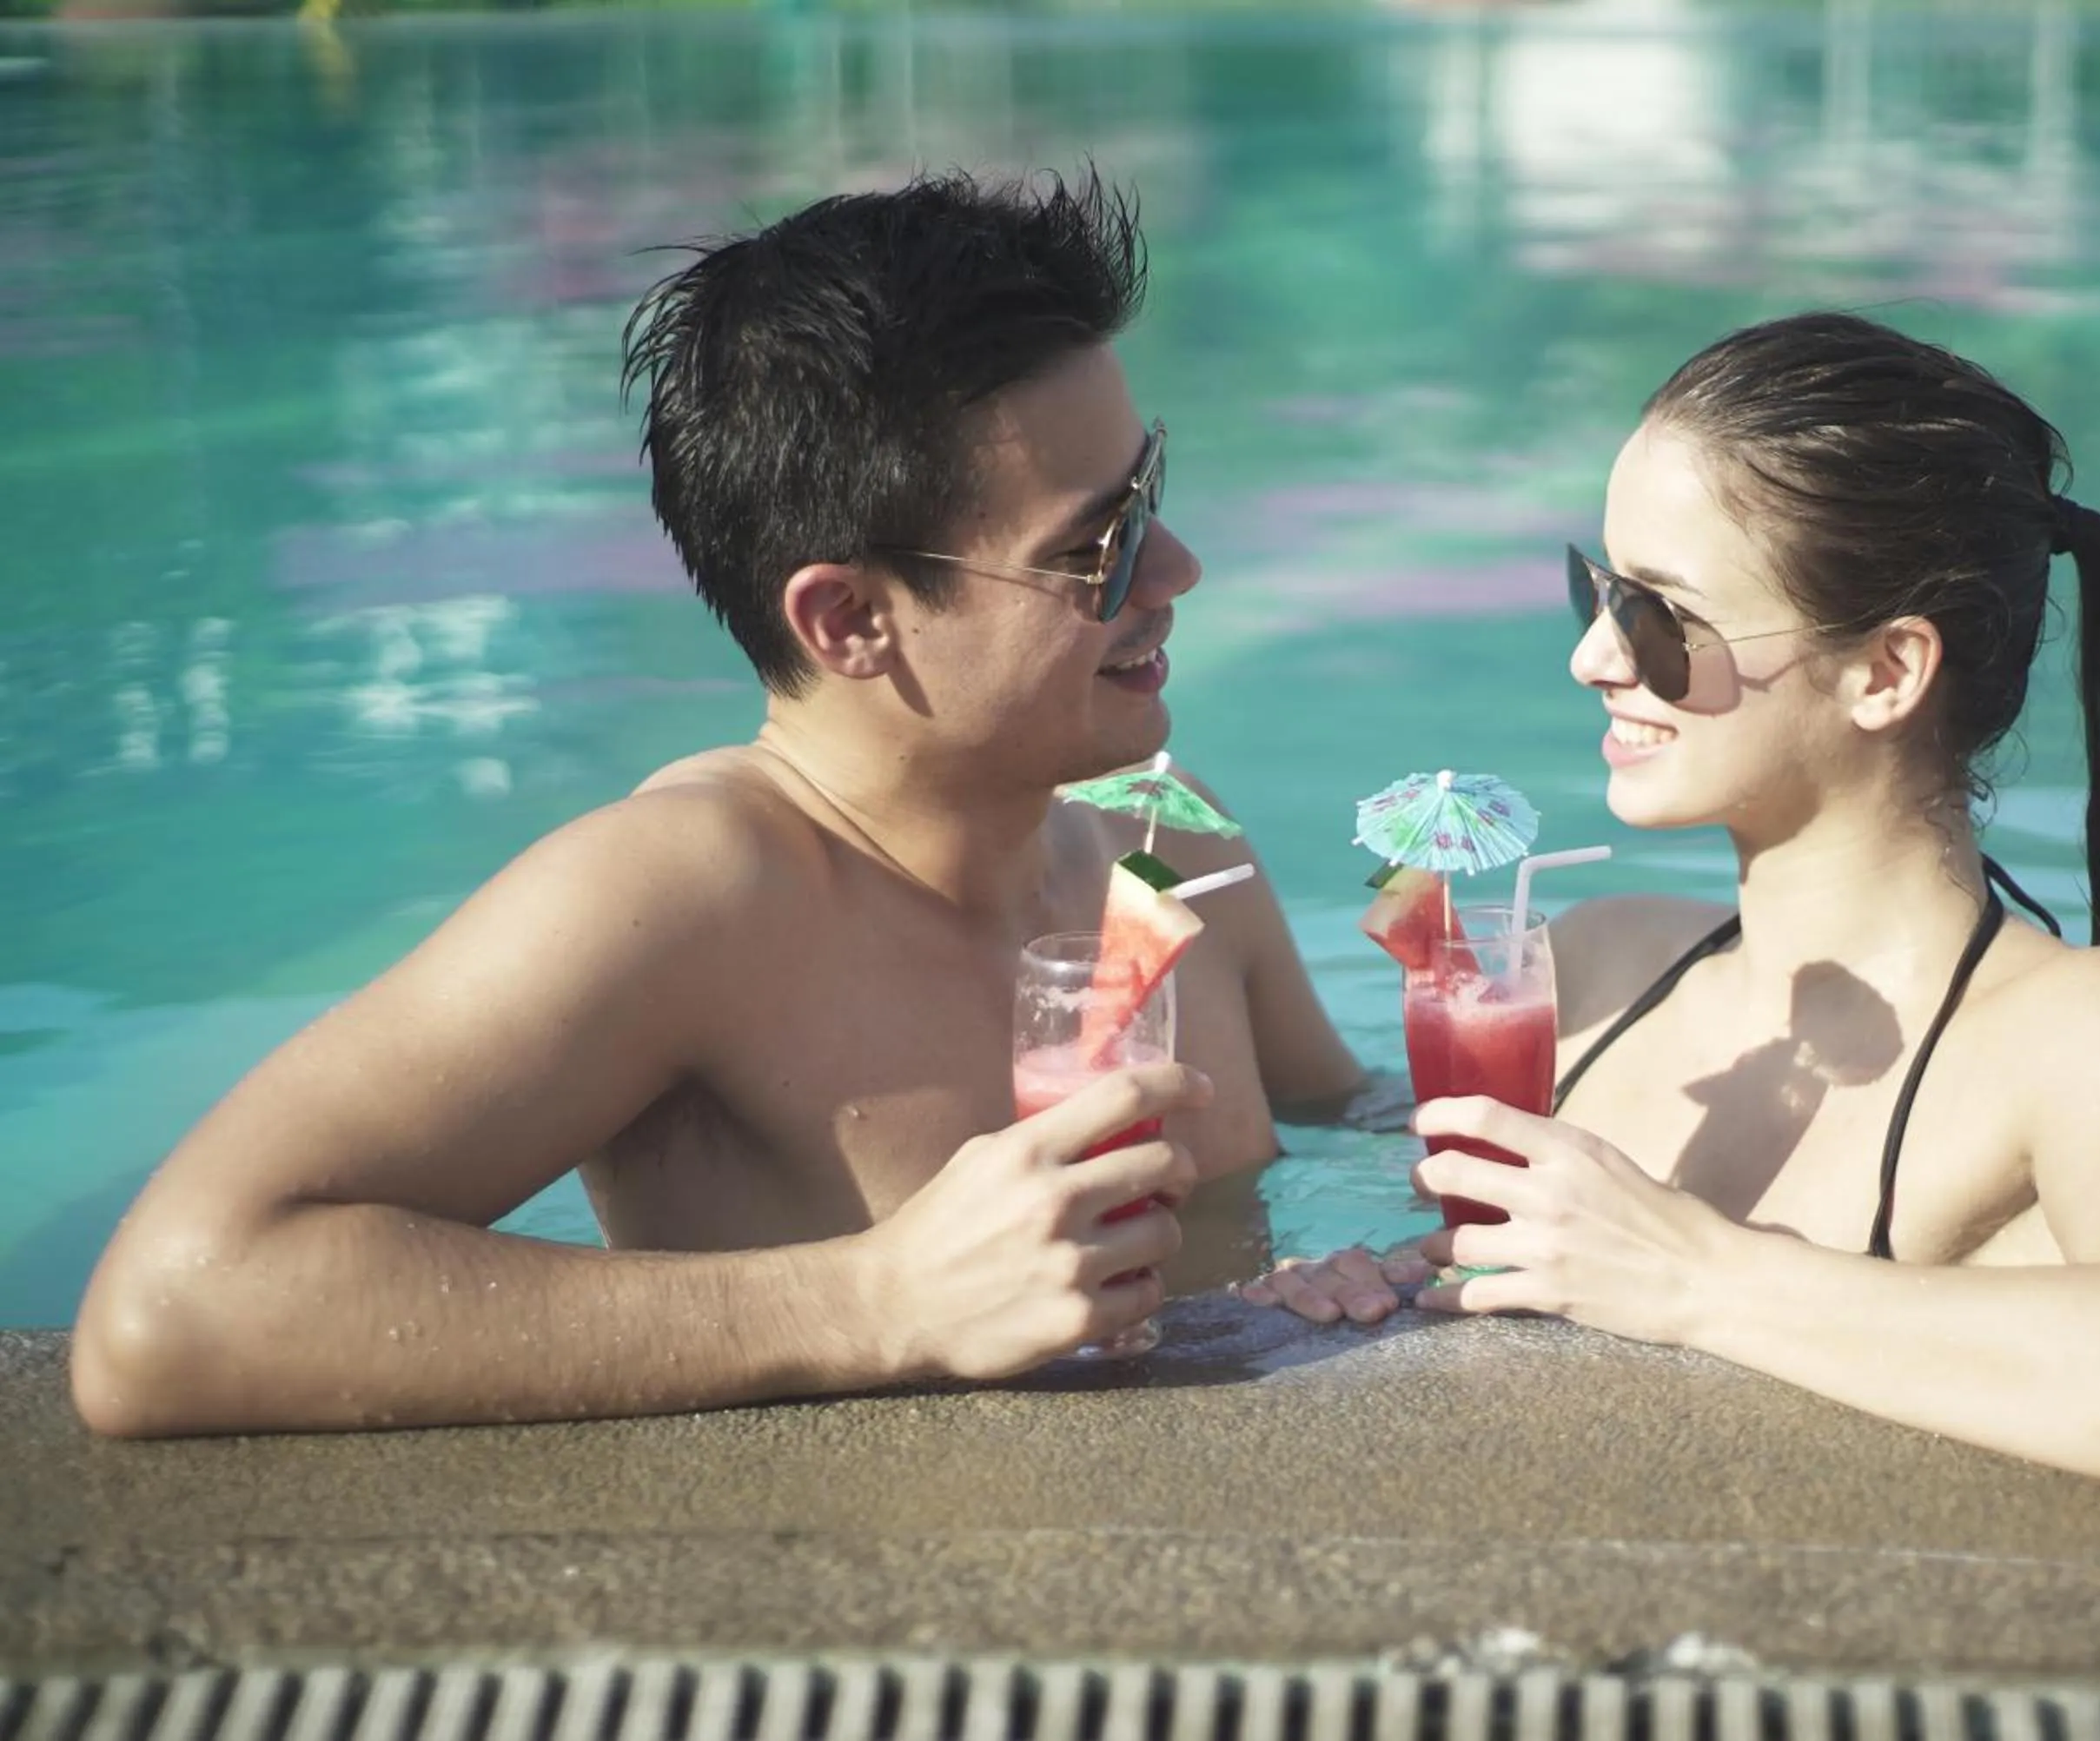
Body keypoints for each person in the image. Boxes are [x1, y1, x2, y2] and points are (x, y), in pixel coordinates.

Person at [72, 170, 1365, 1439]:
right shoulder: (688, 899)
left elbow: (1351, 1122)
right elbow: (166, 1316)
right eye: (1102, 549)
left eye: (1152, 493)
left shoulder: (1167, 830)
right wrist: (871, 1302)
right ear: (851, 620)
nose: (1181, 568)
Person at [1249, 312, 2100, 1497]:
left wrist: (1694, 1276)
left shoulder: (2081, 1036)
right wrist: (1345, 1290)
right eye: (1597, 589)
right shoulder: (1593, 970)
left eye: (1661, 619)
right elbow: (1408, 1208)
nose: (1594, 657)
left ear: (1886, 672)